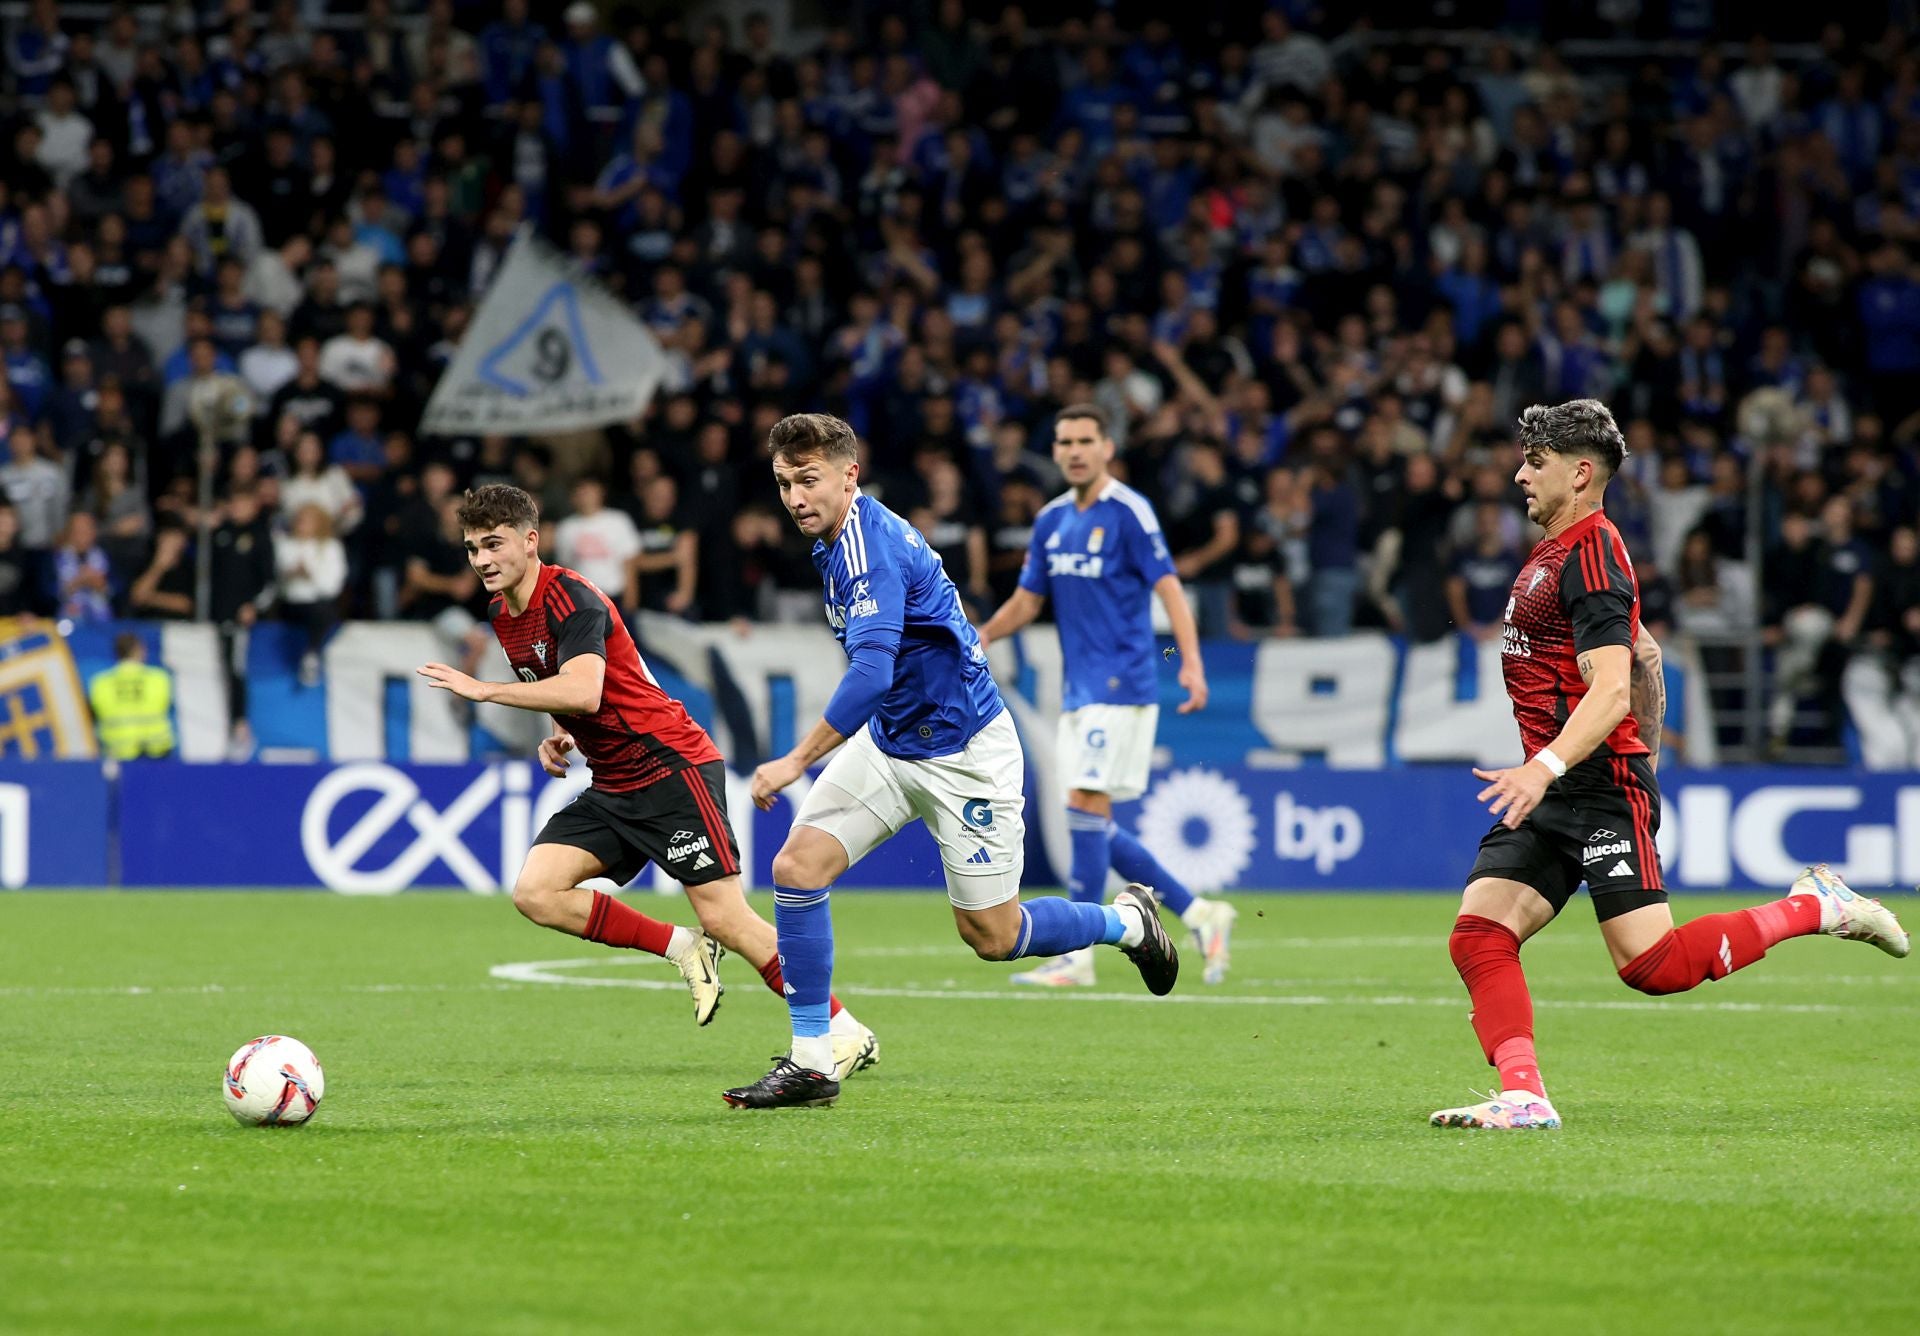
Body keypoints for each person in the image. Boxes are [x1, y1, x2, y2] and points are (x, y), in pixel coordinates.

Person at [1431, 400, 1909, 1132]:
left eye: (1536, 463)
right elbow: (1645, 654)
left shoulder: (1591, 551)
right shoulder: (1558, 552)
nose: (1520, 474)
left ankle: (1817, 905)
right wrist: (1639, 752)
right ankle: (1525, 1097)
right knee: (1479, 934)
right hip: (1565, 781)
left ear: (1581, 472)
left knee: (1652, 967)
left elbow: (1614, 684)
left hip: (1585, 786)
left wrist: (1564, 766)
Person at [728, 413, 1180, 1111]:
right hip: (892, 739)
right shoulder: (835, 538)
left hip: (963, 754)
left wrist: (796, 759)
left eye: (808, 480)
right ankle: (815, 1057)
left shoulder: (866, 549)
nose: (794, 497)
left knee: (995, 938)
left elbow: (873, 671)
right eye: (785, 483)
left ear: (850, 475)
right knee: (797, 867)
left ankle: (1125, 923)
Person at [415, 484, 878, 1077]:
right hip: (614, 782)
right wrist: (559, 731)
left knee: (728, 919)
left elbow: (585, 687)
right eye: (472, 547)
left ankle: (842, 1030)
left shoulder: (571, 598)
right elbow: (561, 687)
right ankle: (678, 946)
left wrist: (485, 690)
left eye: (493, 544)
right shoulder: (502, 611)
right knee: (536, 892)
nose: (480, 559)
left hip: (670, 767)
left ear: (530, 542)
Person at [977, 403, 1239, 986]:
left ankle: (1077, 954)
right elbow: (1028, 598)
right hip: (1080, 690)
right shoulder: (1049, 520)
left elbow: (1169, 588)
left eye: (1085, 440)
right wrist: (986, 633)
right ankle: (1199, 912)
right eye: (1064, 440)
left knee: (1083, 805)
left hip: (1121, 684)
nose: (1073, 450)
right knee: (1087, 816)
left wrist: (1191, 664)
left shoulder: (1129, 512)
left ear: (1106, 448)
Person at [89, 631, 175, 760]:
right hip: (157, 749)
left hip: (118, 750)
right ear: (139, 650)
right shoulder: (160, 678)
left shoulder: (100, 682)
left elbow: (94, 713)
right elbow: (166, 705)